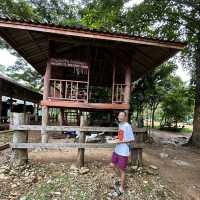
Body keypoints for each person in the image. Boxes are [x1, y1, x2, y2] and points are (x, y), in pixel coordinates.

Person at [110, 111, 135, 195]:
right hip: (117, 149)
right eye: (119, 115)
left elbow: (131, 139)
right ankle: (119, 178)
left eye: (122, 115)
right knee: (112, 165)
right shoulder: (120, 125)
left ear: (125, 117)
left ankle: (121, 188)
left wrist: (122, 142)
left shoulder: (128, 126)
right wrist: (115, 138)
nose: (120, 117)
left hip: (123, 151)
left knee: (122, 170)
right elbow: (121, 136)